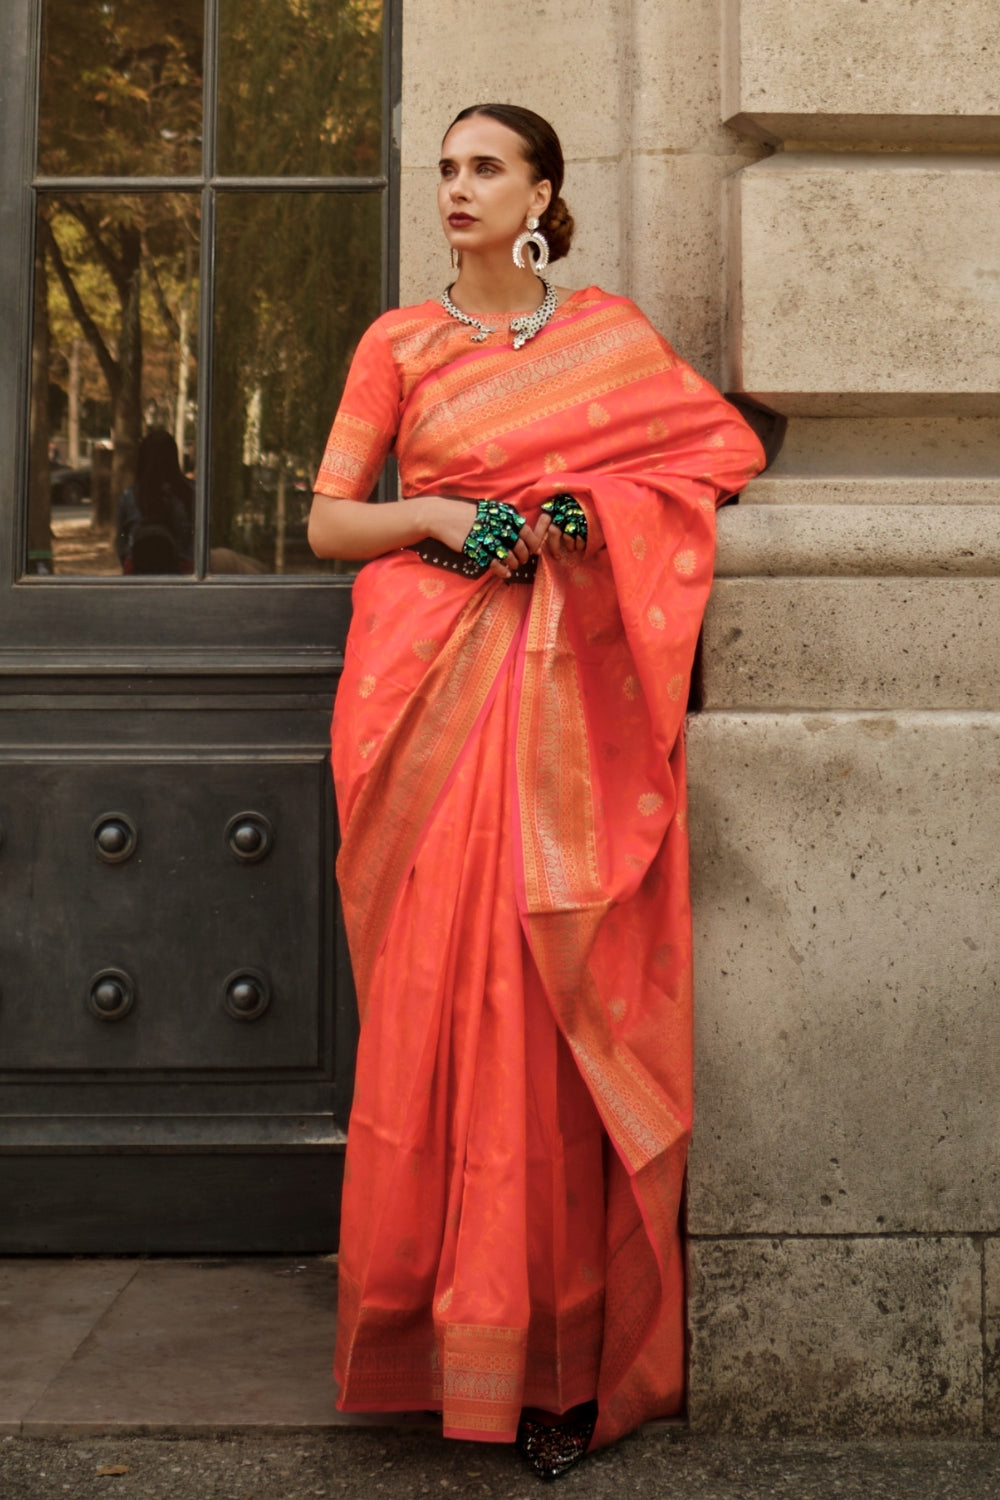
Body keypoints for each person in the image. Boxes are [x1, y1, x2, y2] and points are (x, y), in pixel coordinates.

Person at [308, 103, 767, 1480]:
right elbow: (331, 518)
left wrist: (589, 513)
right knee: (440, 1019)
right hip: (428, 704)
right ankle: (437, 1343)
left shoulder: (606, 337)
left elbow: (718, 457)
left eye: (484, 168)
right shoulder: (398, 343)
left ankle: (563, 1366)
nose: (456, 188)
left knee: (550, 1011)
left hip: (567, 710)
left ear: (542, 195)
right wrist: (444, 514)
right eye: (444, 169)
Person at [115, 427, 194, 575]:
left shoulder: (130, 495)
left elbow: (121, 542)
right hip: (183, 573)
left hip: (138, 571)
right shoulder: (189, 493)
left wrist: (129, 560)